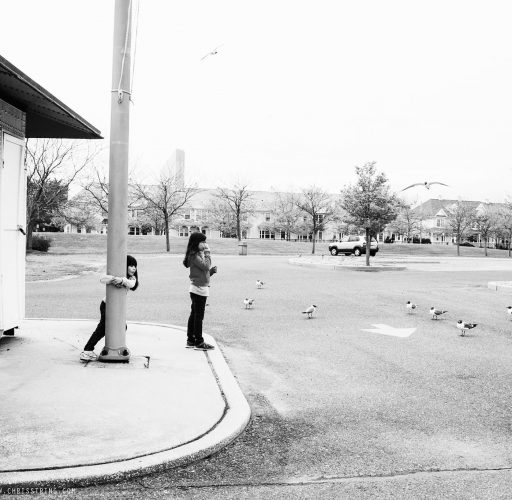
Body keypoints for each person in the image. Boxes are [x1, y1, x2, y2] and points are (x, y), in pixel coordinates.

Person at [80, 255, 139, 361]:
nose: (134, 268)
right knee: (102, 328)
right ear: (124, 266)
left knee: (122, 327)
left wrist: (121, 280)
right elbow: (104, 279)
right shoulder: (118, 277)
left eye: (135, 266)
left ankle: (93, 349)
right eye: (131, 265)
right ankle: (87, 350)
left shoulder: (131, 279)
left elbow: (131, 283)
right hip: (106, 305)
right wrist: (115, 280)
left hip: (115, 306)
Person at [183, 232, 217, 351]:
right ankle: (199, 341)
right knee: (198, 316)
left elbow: (203, 271)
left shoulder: (196, 254)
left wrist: (211, 272)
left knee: (194, 314)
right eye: (202, 242)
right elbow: (205, 266)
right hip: (199, 289)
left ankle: (191, 340)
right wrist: (208, 253)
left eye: (205, 242)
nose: (205, 244)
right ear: (196, 243)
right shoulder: (194, 255)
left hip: (198, 287)